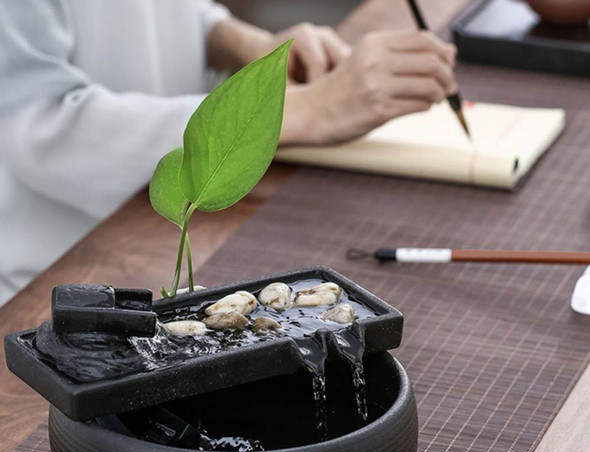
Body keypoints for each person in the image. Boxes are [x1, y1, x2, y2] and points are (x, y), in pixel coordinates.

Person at [0, 0, 457, 304]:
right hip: (58, 276)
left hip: (169, 236)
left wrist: (249, 46)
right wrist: (304, 109)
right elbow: (40, 123)